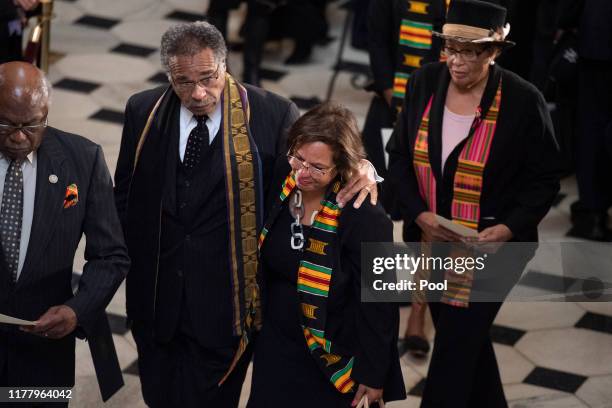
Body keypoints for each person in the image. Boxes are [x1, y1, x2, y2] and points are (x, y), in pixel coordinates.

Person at [114, 21, 378, 407]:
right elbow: (126, 196)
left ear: (225, 65)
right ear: (168, 74)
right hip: (156, 304)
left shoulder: (271, 114)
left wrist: (363, 165)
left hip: (229, 310)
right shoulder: (143, 110)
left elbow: (319, 152)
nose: (198, 93)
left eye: (208, 77)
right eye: (183, 82)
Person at [386, 1, 561, 406]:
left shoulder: (522, 100)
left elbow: (545, 178)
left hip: (493, 251)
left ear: (493, 52)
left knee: (450, 358)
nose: (456, 61)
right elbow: (398, 156)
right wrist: (420, 214)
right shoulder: (424, 83)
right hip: (432, 246)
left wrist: (510, 226)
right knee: (468, 350)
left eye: (469, 52)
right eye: (450, 49)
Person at [247, 102, 405, 408]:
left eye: (318, 167)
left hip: (332, 353)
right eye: (299, 158)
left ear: (344, 167)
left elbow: (380, 304)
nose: (303, 173)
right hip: (276, 344)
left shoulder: (366, 216)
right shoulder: (283, 173)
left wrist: (374, 376)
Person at [0, 62, 130, 403]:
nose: (18, 136)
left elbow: (111, 256)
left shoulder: (82, 160)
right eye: (6, 123)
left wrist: (77, 309)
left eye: (31, 125)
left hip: (43, 355)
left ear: (46, 112)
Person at [365, 0, 447, 360]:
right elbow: (378, 39)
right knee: (372, 195)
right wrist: (393, 95)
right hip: (393, 101)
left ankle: (418, 313)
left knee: (427, 211)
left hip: (448, 107)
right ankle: (375, 283)